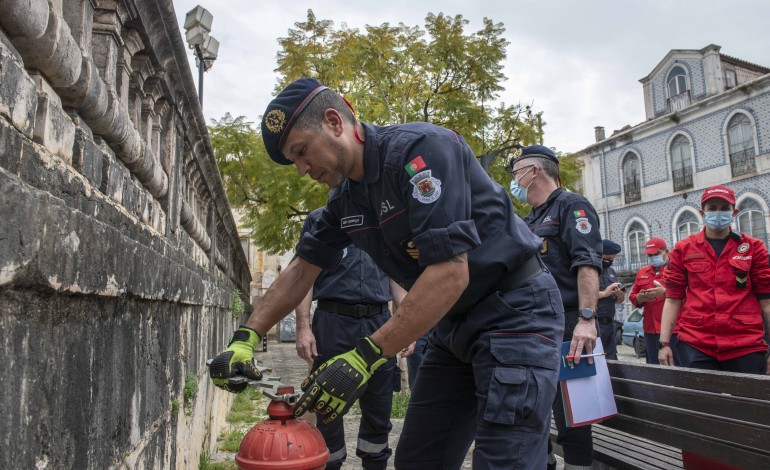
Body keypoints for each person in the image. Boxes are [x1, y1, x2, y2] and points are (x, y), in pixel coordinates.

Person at [209, 78, 565, 469]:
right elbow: (301, 270)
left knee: (505, 461)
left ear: (334, 122)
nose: (301, 169)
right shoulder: (345, 199)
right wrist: (247, 335)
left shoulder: (421, 151)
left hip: (515, 312)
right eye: (294, 160)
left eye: (301, 151)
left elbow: (450, 273)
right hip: (453, 324)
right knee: (417, 461)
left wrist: (365, 356)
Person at [510, 145, 602, 470]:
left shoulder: (571, 206)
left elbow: (587, 264)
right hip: (533, 332)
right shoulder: (528, 219)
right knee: (532, 416)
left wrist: (587, 319)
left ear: (533, 171)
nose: (513, 179)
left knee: (572, 421)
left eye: (515, 171)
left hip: (569, 330)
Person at [294, 207, 406, 470]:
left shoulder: (383, 218)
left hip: (380, 324)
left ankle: (375, 463)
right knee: (328, 408)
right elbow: (303, 279)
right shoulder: (320, 220)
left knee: (379, 409)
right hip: (333, 322)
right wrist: (303, 327)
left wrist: (405, 325)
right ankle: (330, 463)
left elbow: (395, 276)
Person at [659, 185, 770, 375]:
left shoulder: (754, 248)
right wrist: (664, 344)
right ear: (703, 213)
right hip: (697, 343)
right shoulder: (683, 249)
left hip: (745, 344)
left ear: (734, 211)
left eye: (724, 208)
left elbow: (767, 302)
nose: (718, 213)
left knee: (747, 403)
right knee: (701, 403)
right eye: (712, 208)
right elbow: (672, 298)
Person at [629, 237, 671, 365]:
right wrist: (639, 298)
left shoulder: (676, 269)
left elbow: (687, 294)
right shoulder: (643, 272)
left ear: (666, 251)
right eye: (649, 255)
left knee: (677, 367)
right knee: (654, 368)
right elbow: (633, 295)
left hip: (673, 330)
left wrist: (664, 293)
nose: (653, 257)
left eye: (656, 254)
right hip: (650, 330)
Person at [597, 239, 625, 360]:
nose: (610, 261)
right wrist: (604, 293)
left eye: (612, 259)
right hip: (595, 323)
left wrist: (620, 296)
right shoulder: (590, 270)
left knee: (611, 360)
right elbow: (581, 293)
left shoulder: (611, 272)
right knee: (596, 359)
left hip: (610, 324)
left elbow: (617, 301)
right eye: (607, 257)